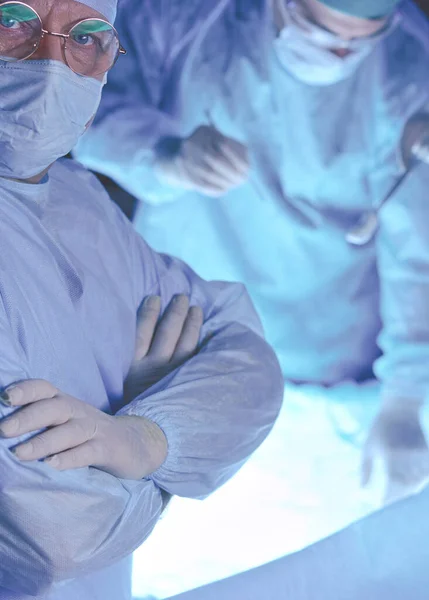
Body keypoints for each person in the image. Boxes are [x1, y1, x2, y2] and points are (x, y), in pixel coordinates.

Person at [74, 0, 429, 506]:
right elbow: (84, 111)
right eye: (318, 27)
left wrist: (405, 399)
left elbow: (416, 251)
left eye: (359, 40)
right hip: (172, 340)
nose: (339, 51)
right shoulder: (186, 18)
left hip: (323, 361)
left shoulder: (411, 65)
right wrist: (163, 153)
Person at [0, 1, 284, 599]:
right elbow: (54, 538)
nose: (50, 64)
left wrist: (145, 436)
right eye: (11, 21)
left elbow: (245, 353)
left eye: (86, 36)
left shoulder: (76, 197)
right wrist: (164, 454)